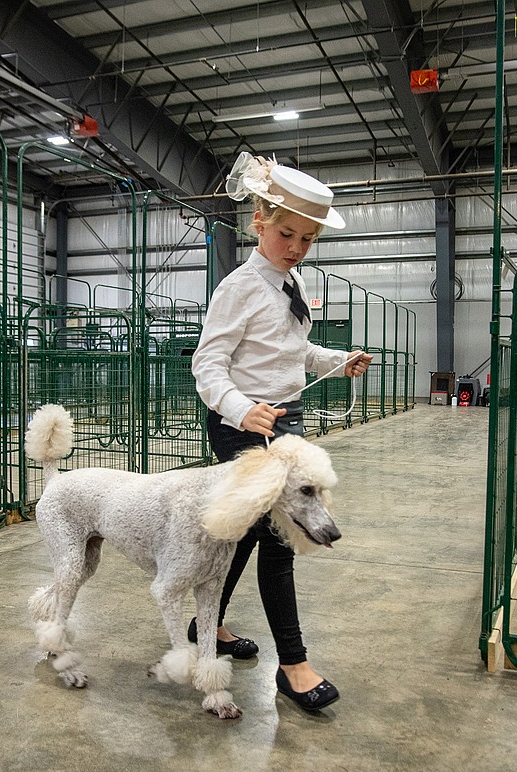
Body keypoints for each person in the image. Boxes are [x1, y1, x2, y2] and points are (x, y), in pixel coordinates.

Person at [189, 152, 372, 712]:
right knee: (278, 543)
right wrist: (242, 410)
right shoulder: (239, 287)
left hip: (284, 423)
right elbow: (207, 364)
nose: (295, 246)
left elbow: (293, 352)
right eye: (286, 233)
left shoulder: (289, 283)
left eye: (307, 238)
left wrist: (337, 360)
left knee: (241, 538)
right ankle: (292, 665)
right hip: (243, 429)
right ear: (259, 223)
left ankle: (207, 625)